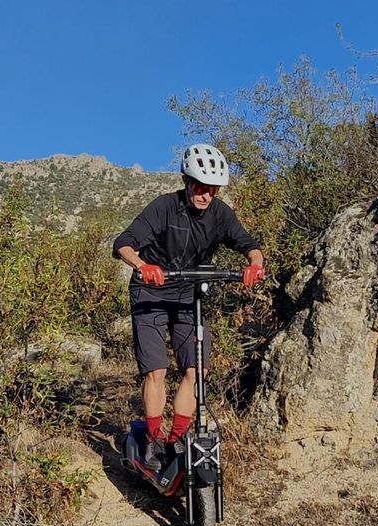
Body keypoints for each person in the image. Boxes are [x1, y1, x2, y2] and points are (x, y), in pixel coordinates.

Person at [113, 143, 265, 471]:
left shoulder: (220, 213)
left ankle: (177, 437)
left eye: (212, 188)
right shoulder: (164, 207)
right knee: (157, 371)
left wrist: (254, 263)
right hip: (150, 294)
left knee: (197, 370)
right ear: (186, 180)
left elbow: (248, 245)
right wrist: (142, 265)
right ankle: (153, 441)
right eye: (199, 185)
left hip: (187, 298)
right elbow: (123, 243)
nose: (205, 194)